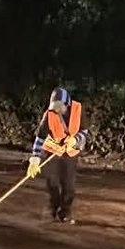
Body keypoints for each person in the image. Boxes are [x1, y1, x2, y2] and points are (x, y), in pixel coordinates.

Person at [27, 87, 89, 223]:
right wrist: (35, 158)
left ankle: (65, 210)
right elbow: (40, 138)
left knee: (68, 184)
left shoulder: (78, 109)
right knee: (52, 182)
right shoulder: (49, 114)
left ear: (67, 104)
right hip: (52, 151)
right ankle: (53, 208)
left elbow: (84, 131)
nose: (56, 109)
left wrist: (75, 139)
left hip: (70, 152)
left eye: (59, 106)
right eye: (54, 106)